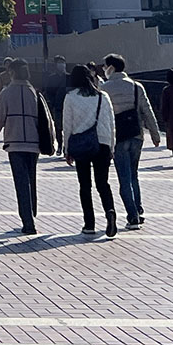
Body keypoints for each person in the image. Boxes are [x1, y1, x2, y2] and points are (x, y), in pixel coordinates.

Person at [0, 59, 54, 235]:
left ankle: (28, 221)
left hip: (15, 143)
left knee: (21, 182)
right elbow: (47, 119)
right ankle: (32, 213)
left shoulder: (7, 93)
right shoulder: (34, 92)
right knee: (31, 179)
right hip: (34, 144)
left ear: (12, 73)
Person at [100, 54, 161, 230]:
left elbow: (103, 115)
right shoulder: (136, 86)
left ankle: (132, 216)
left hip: (118, 137)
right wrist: (155, 134)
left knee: (124, 178)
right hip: (136, 134)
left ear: (110, 67)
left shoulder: (104, 88)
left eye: (105, 66)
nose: (104, 70)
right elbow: (147, 111)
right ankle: (139, 209)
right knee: (134, 174)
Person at [62, 65, 117, 238]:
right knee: (103, 183)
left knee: (85, 185)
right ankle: (110, 211)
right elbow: (111, 123)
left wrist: (66, 149)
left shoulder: (70, 98)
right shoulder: (103, 96)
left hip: (82, 145)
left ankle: (89, 224)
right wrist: (111, 146)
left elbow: (67, 125)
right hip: (102, 143)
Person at [43, 56, 70, 155]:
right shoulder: (51, 78)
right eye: (59, 63)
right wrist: (53, 102)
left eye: (63, 63)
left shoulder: (69, 77)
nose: (62, 65)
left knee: (68, 127)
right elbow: (48, 92)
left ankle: (66, 146)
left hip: (69, 106)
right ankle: (59, 144)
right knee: (58, 127)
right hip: (57, 106)